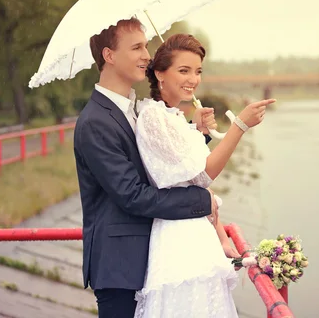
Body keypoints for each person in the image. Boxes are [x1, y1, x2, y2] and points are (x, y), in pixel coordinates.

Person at [73, 17, 220, 318]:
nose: (147, 55)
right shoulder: (95, 122)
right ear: (109, 56)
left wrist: (198, 134)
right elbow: (132, 195)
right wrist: (201, 201)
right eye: (137, 47)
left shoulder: (132, 108)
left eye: (146, 46)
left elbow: (159, 168)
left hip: (148, 259)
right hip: (120, 266)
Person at [133, 33, 276, 318]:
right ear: (159, 73)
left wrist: (198, 132)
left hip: (197, 233)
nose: (193, 79)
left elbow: (191, 175)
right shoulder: (153, 117)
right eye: (183, 70)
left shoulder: (172, 116)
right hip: (179, 239)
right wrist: (239, 126)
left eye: (197, 71)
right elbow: (203, 175)